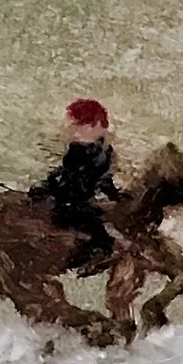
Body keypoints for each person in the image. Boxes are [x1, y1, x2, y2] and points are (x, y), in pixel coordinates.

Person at [29, 97, 123, 272]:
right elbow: (102, 178)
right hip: (81, 196)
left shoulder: (81, 150)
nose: (73, 132)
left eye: (76, 126)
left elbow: (71, 180)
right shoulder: (103, 149)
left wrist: (50, 185)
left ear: (93, 125)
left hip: (75, 201)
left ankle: (96, 252)